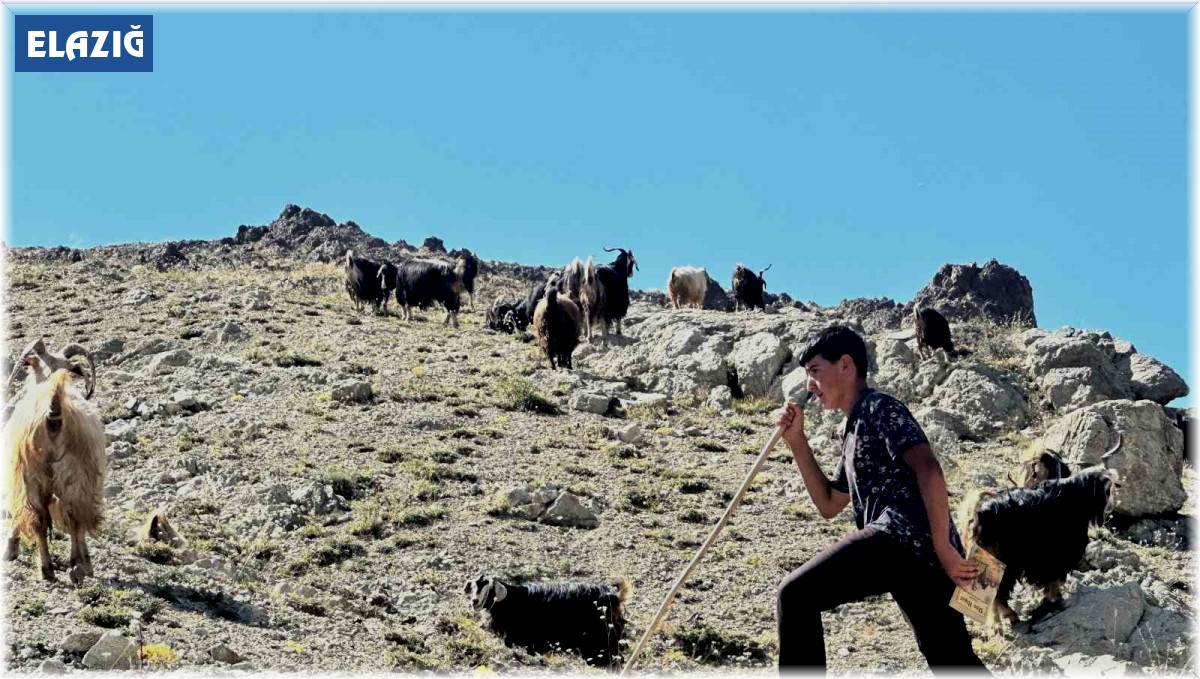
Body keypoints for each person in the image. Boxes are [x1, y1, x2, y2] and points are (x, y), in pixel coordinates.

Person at [773, 325, 989, 676]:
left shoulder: (878, 408)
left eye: (814, 371)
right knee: (951, 659)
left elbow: (930, 470)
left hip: (903, 540)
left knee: (795, 595)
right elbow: (829, 504)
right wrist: (797, 442)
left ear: (845, 365)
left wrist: (946, 551)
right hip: (923, 560)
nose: (810, 385)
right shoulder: (853, 429)